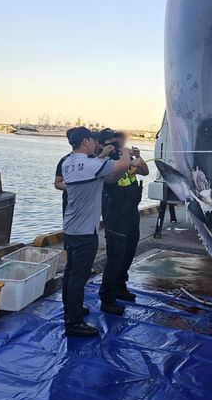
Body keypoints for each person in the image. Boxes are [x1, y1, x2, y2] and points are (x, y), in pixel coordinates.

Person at [61, 127, 130, 337]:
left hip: (71, 228)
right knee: (78, 277)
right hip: (84, 232)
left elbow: (107, 178)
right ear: (85, 142)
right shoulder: (91, 164)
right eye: (92, 140)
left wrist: (108, 159)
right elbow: (122, 164)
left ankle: (72, 309)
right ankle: (73, 322)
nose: (94, 143)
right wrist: (127, 152)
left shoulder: (67, 163)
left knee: (70, 273)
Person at [98, 129, 149, 315]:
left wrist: (138, 158)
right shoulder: (103, 161)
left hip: (131, 212)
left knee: (129, 251)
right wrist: (128, 161)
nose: (116, 146)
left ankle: (120, 286)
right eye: (111, 143)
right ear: (102, 145)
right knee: (115, 256)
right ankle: (107, 297)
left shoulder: (124, 156)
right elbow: (111, 179)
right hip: (115, 215)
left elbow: (144, 171)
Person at [54, 128, 76, 217]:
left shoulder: (92, 159)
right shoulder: (64, 160)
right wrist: (74, 188)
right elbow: (57, 183)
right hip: (69, 199)